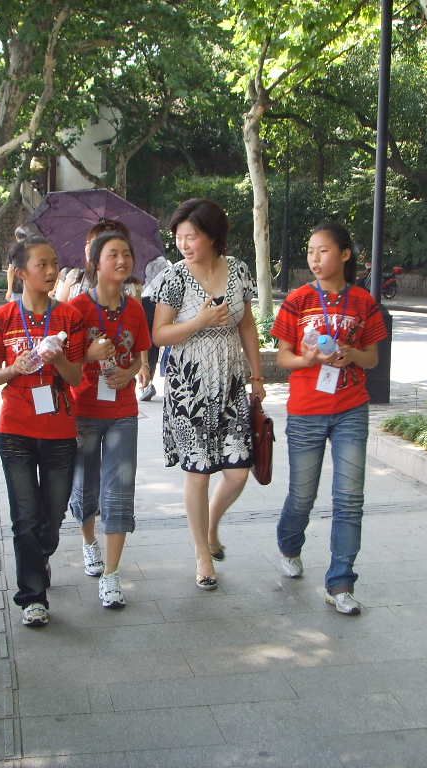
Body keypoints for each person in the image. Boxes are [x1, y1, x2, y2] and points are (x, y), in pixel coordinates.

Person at [272, 223, 387, 616]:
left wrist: (351, 354)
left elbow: (372, 359)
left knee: (349, 498)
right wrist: (308, 358)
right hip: (306, 409)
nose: (315, 259)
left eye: (322, 251)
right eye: (310, 251)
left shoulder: (363, 301)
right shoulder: (298, 299)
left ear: (344, 254)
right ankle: (289, 545)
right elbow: (283, 357)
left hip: (351, 407)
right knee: (302, 495)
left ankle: (340, 583)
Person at [152, 199, 265, 590]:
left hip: (231, 383)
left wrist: (257, 376)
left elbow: (246, 325)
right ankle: (202, 555)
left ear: (213, 236)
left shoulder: (238, 270)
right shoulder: (174, 277)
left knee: (237, 472)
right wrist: (199, 321)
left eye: (192, 236)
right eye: (179, 237)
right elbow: (159, 334)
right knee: (198, 472)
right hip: (189, 387)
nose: (184, 244)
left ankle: (211, 525)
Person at [0, 237, 85, 628]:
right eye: (43, 264)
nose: (52, 270)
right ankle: (32, 597)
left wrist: (59, 362)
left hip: (59, 429)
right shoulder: (3, 318)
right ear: (21, 272)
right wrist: (14, 368)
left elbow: (77, 376)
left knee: (50, 519)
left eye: (54, 263)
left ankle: (41, 556)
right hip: (15, 429)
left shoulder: (69, 317)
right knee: (24, 517)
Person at [66, 232, 151, 609]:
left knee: (119, 490)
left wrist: (130, 372)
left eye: (126, 254)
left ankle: (112, 574)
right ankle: (89, 543)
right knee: (85, 486)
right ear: (95, 263)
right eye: (113, 254)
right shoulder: (76, 308)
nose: (122, 260)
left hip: (122, 412)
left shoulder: (135, 309)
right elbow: (65, 362)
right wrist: (89, 354)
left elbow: (140, 356)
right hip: (83, 409)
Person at [55, 219, 131, 303]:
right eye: (87, 243)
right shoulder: (75, 276)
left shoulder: (129, 287)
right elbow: (60, 309)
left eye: (94, 244)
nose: (88, 248)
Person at [137, 258, 170, 402]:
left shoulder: (138, 258)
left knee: (144, 340)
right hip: (157, 301)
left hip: (144, 299)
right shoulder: (161, 260)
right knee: (153, 343)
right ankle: (147, 381)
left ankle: (144, 384)